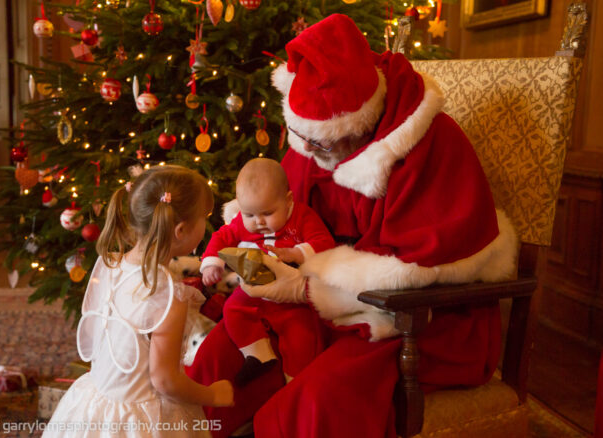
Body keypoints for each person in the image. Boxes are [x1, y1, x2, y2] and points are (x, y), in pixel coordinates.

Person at [187, 14, 518, 438]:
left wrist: (305, 288)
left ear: (357, 124)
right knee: (220, 358)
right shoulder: (313, 138)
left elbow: (419, 271)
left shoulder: (429, 145)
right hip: (322, 306)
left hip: (415, 320)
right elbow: (272, 220)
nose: (307, 151)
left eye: (320, 142)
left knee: (316, 400)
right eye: (299, 135)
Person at [44, 165, 234, 438]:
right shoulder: (170, 297)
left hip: (95, 405)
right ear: (180, 230)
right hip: (142, 422)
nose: (207, 224)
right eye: (204, 217)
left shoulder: (110, 264)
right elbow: (165, 380)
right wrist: (212, 394)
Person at [200, 158, 334, 386]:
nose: (258, 222)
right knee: (233, 309)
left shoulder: (301, 216)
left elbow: (324, 242)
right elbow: (221, 237)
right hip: (253, 290)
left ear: (288, 200)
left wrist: (297, 253)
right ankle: (258, 354)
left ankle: (296, 381)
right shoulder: (242, 223)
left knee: (302, 336)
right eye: (249, 215)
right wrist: (212, 263)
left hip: (290, 297)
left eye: (268, 213)